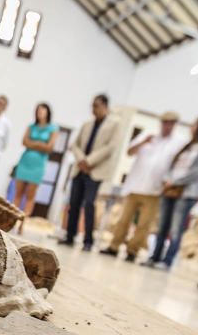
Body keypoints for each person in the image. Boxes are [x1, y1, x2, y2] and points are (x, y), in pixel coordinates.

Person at [101, 111, 183, 262]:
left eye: (171, 123)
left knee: (144, 224)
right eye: (165, 123)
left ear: (174, 125)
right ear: (161, 123)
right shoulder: (148, 135)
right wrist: (143, 142)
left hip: (155, 190)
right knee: (123, 220)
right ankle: (114, 246)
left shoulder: (178, 142)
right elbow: (129, 152)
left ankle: (132, 251)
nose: (167, 126)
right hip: (135, 185)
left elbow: (178, 165)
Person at [143, 116, 198, 269]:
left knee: (176, 229)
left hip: (186, 192)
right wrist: (167, 180)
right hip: (169, 190)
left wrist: (175, 182)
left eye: (194, 124)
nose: (191, 127)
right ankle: (154, 256)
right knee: (162, 225)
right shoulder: (189, 145)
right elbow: (173, 165)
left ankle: (167, 261)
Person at [60, 94, 122, 250]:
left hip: (95, 171)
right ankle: (69, 236)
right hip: (80, 169)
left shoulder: (114, 124)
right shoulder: (87, 124)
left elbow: (110, 148)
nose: (93, 109)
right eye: (92, 105)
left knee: (89, 204)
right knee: (73, 203)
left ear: (105, 107)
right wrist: (82, 160)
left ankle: (88, 240)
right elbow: (75, 144)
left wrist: (89, 161)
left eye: (96, 106)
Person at [12, 103, 57, 221]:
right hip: (24, 162)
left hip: (38, 165)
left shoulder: (53, 128)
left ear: (48, 112)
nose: (40, 113)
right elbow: (24, 141)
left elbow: (50, 147)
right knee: (18, 193)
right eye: (38, 111)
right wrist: (40, 144)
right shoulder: (31, 126)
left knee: (30, 196)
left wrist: (33, 143)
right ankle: (12, 218)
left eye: (42, 111)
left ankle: (24, 221)